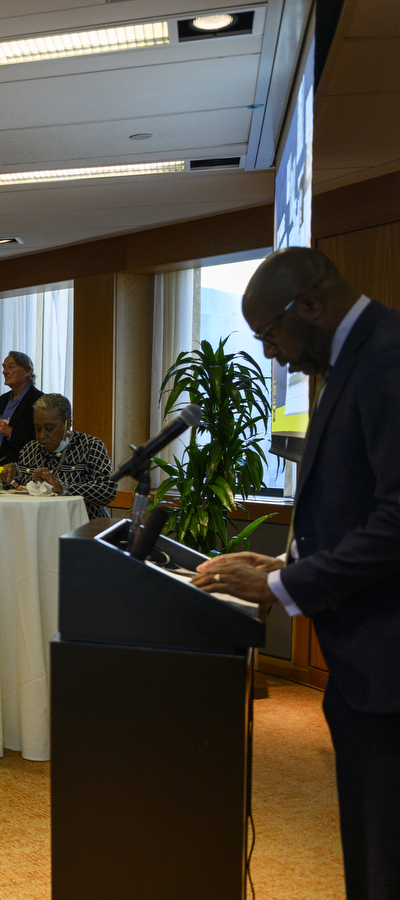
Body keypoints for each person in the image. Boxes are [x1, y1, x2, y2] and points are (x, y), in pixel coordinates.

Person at [190, 248, 400, 898]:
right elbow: (357, 506)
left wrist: (283, 587)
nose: (272, 354)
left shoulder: (388, 357)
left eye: (269, 335)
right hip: (365, 667)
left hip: (391, 670)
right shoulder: (351, 360)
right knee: (371, 853)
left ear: (308, 303)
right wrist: (287, 561)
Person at [1, 393, 115, 518]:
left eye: (49, 429)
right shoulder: (30, 449)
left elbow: (107, 490)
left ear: (68, 423)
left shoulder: (91, 446)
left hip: (84, 529)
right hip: (39, 526)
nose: (41, 436)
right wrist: (6, 477)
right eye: (37, 429)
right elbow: (18, 487)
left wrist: (63, 488)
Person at [0, 351, 44, 464]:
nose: (4, 372)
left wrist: (11, 433)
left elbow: (42, 437)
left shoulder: (39, 400)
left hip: (21, 468)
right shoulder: (3, 399)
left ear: (27, 371)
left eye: (11, 367)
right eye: (4, 367)